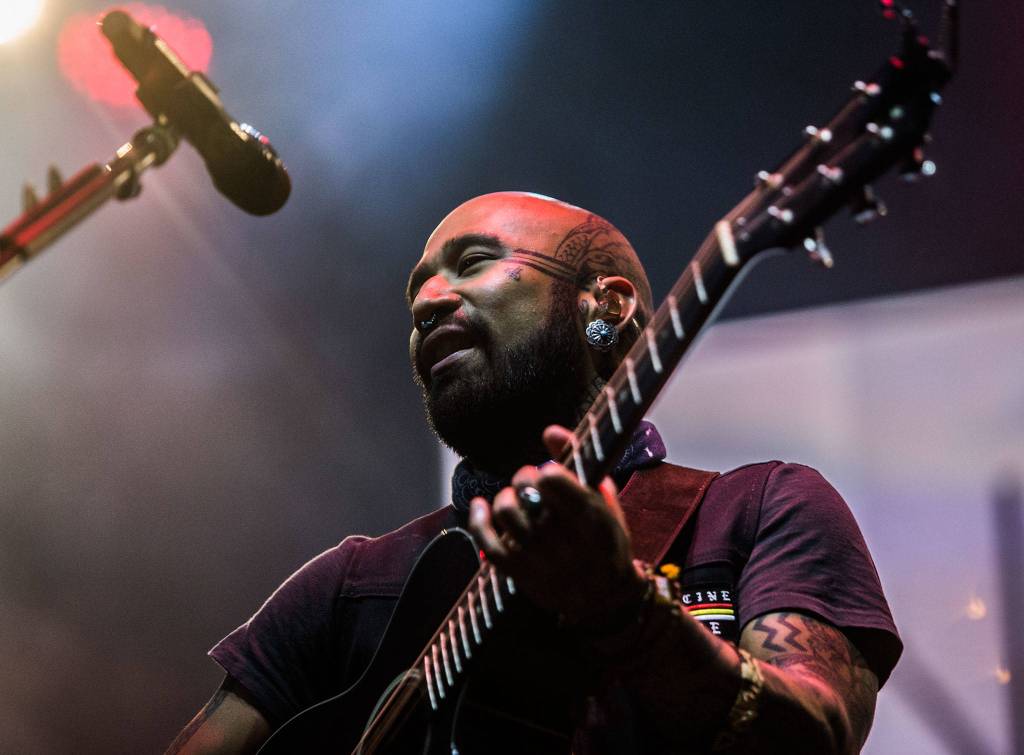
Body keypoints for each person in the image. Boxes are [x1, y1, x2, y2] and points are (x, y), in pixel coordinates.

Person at [166, 192, 901, 754]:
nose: (427, 300)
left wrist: (626, 610)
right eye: (417, 286)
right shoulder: (351, 583)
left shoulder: (759, 508)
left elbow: (818, 733)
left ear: (605, 307)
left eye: (475, 262)